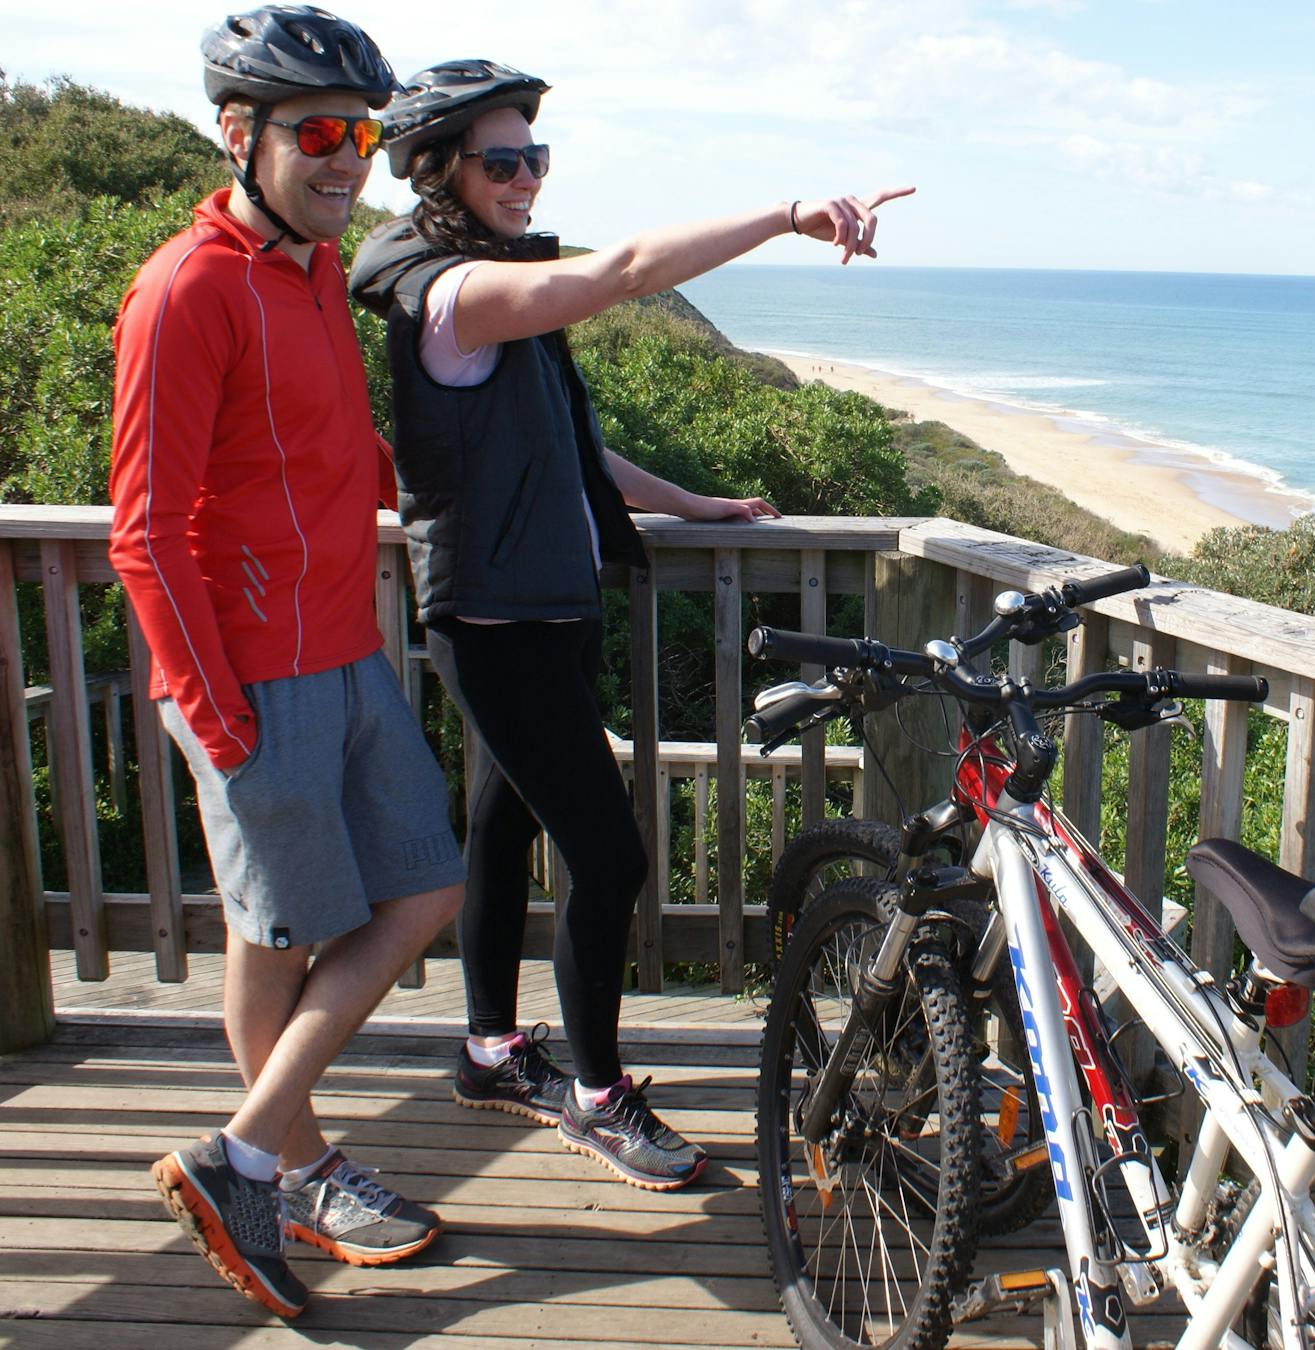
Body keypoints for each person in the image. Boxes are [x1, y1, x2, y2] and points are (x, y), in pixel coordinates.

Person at [350, 59, 910, 1192]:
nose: (524, 178)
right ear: (440, 170)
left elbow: (563, 441)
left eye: (535, 157)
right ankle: (598, 1095)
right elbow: (628, 269)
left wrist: (691, 504)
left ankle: (491, 1049)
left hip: (537, 607)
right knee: (610, 855)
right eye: (501, 160)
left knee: (505, 827)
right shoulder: (452, 296)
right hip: (491, 618)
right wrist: (789, 212)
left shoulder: (491, 288)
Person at [107, 6, 468, 1318]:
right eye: (318, 133)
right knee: (276, 935)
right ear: (239, 133)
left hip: (349, 649)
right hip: (254, 674)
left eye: (360, 134)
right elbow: (142, 529)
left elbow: (341, 455)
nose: (345, 160)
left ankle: (246, 1153)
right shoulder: (185, 289)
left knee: (424, 883)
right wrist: (218, 713)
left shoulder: (315, 273)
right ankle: (288, 1165)